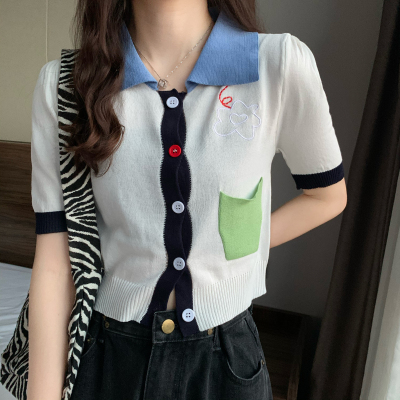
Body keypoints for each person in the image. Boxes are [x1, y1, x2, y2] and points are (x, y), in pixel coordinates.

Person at [27, 0, 347, 399]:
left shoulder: (277, 64)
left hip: (227, 364)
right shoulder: (66, 86)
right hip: (109, 356)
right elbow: (56, 262)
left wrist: (233, 242)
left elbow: (326, 196)